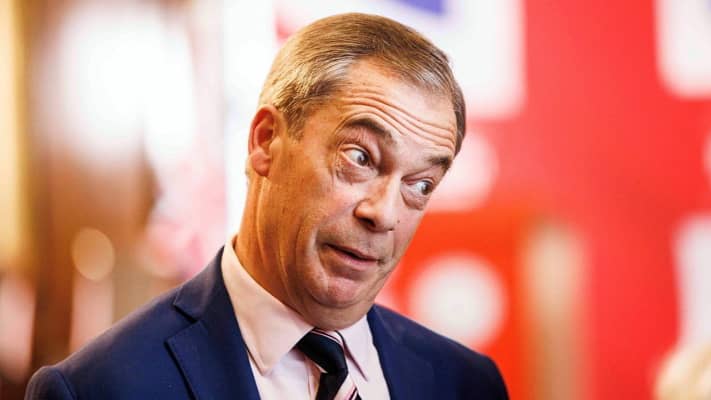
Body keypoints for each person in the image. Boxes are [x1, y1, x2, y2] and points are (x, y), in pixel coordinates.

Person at [26, 13, 508, 399]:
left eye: (420, 185)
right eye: (359, 158)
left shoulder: (466, 384)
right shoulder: (100, 387)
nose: (384, 214)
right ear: (265, 140)